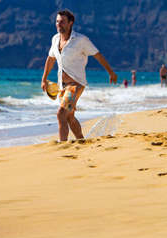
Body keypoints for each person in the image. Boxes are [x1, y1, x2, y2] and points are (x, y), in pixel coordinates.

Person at [41, 10, 117, 142]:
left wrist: (111, 72)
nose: (59, 24)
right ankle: (81, 141)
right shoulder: (55, 39)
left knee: (60, 114)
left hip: (76, 84)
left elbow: (97, 55)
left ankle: (62, 145)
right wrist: (43, 79)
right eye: (57, 21)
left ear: (70, 23)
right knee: (69, 117)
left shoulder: (81, 40)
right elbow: (51, 59)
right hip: (62, 85)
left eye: (62, 22)